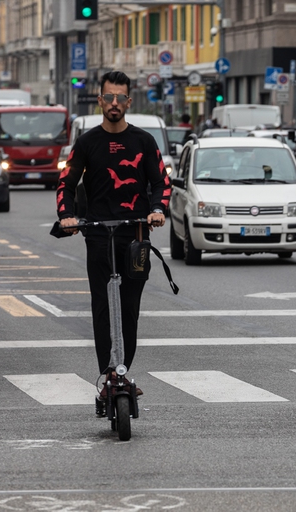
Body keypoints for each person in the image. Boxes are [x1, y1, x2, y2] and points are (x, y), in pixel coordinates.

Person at [56, 71, 170, 397]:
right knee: (103, 307)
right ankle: (108, 375)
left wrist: (158, 209)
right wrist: (67, 216)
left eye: (120, 98)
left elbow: (162, 182)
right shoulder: (86, 143)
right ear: (100, 100)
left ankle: (123, 371)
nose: (114, 103)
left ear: (129, 102)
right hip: (98, 234)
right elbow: (66, 183)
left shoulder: (143, 142)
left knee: (130, 307)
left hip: (136, 234)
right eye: (109, 97)